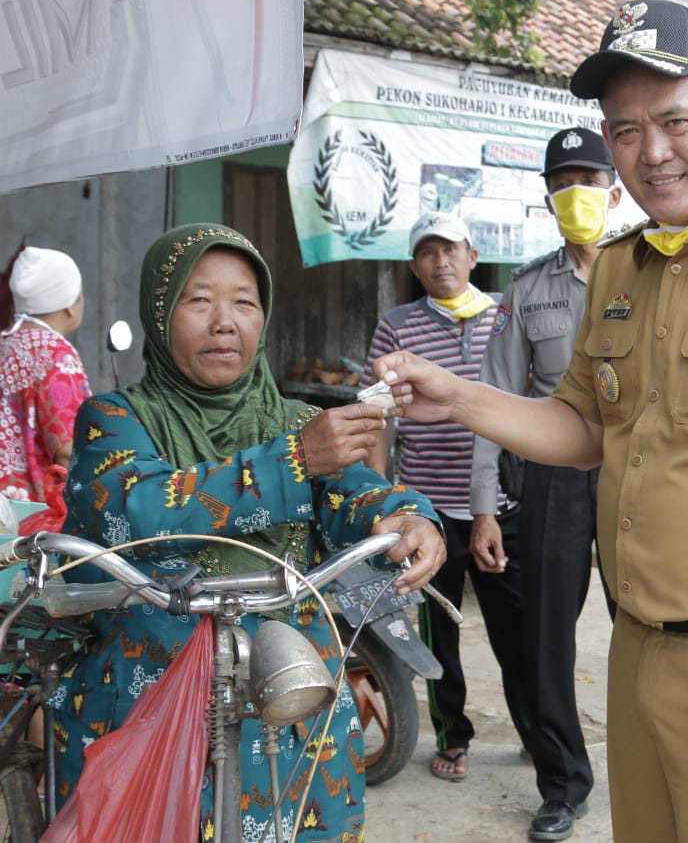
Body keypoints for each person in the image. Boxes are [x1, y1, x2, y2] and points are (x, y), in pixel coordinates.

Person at [372, 0, 688, 841]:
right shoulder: (624, 264)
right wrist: (460, 395)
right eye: (624, 130)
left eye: (675, 121)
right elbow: (584, 430)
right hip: (636, 645)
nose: (650, 152)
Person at [54, 223, 445, 840]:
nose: (223, 321)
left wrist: (406, 514)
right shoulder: (114, 418)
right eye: (198, 298)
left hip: (292, 687)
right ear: (159, 314)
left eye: (244, 301)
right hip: (151, 693)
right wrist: (293, 462)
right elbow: (136, 508)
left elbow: (352, 490)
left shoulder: (297, 420)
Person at [469, 125, 621, 840]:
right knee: (545, 635)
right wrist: (482, 509)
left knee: (656, 621)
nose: (576, 196)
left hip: (639, 466)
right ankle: (562, 782)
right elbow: (494, 404)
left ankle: (670, 757)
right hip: (555, 472)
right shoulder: (527, 290)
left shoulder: (649, 270)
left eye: (588, 182)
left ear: (613, 190)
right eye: (563, 186)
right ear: (548, 200)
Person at [361, 212, 536, 788]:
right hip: (430, 508)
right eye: (428, 253)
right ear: (415, 265)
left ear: (473, 255)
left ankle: (540, 734)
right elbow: (377, 417)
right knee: (440, 632)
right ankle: (453, 736)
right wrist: (383, 494)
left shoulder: (503, 316)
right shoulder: (397, 326)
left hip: (502, 505)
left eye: (451, 250)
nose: (441, 262)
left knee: (522, 630)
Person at [0, 246, 91, 502]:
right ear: (71, 305)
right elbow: (67, 449)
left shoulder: (5, 343)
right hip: (31, 511)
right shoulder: (55, 353)